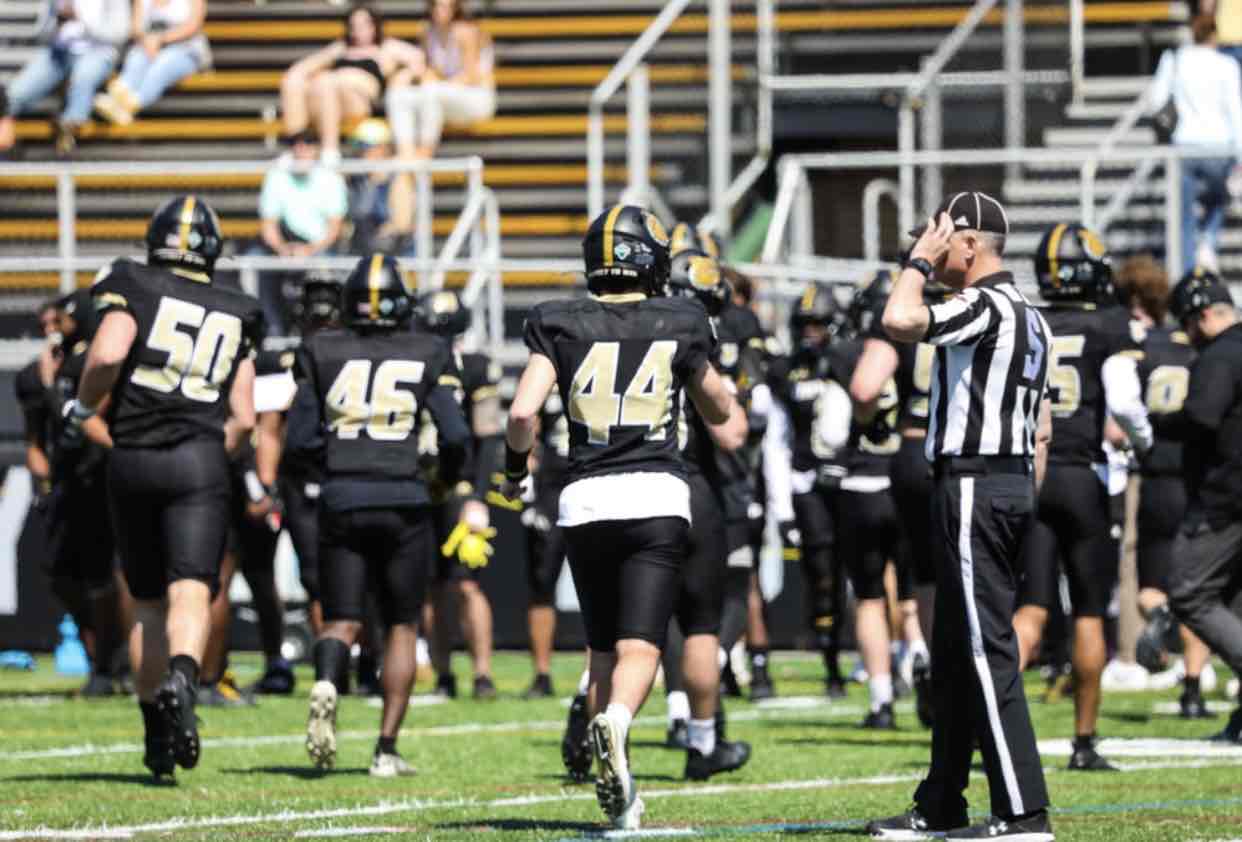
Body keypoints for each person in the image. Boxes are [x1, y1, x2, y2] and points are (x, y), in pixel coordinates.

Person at [500, 204, 742, 830]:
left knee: (603, 647)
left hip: (584, 499)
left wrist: (513, 470)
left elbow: (522, 413)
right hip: (656, 494)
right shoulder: (682, 319)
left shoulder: (558, 320)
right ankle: (617, 721)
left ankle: (621, 788)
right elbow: (719, 409)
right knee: (643, 647)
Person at [869, 193, 1054, 841]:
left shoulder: (985, 303)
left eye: (941, 237)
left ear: (970, 245)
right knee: (952, 651)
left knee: (982, 648)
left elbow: (898, 318)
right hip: (1005, 479)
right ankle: (942, 801)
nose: (926, 246)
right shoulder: (1032, 316)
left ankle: (1023, 814)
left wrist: (917, 264)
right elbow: (1042, 429)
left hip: (975, 480)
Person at [61, 195, 262, 782]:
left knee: (146, 600)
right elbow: (245, 417)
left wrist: (84, 408)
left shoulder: (132, 282)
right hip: (199, 457)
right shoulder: (239, 308)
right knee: (191, 588)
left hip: (133, 455)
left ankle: (155, 736)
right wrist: (212, 454)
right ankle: (183, 677)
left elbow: (107, 353)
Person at [299, 253, 472, 777]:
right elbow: (456, 434)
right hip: (403, 497)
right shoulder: (427, 349)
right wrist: (444, 479)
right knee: (401, 624)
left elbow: (299, 440)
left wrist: (335, 468)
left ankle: (326, 681)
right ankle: (386, 748)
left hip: (342, 494)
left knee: (342, 619)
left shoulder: (321, 348)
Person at [1011, 223, 1153, 773]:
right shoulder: (1109, 324)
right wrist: (1144, 443)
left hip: (1032, 471)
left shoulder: (1029, 321)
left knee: (1030, 610)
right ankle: (1084, 742)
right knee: (1089, 612)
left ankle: (985, 724)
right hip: (1083, 477)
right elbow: (1125, 401)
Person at [657, 246, 753, 779]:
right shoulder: (697, 338)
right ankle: (701, 738)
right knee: (700, 621)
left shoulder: (623, 326)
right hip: (694, 483)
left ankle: (592, 716)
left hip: (617, 484)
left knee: (625, 626)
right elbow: (731, 431)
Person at [1112, 257, 1213, 718]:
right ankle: (1193, 688)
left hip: (1153, 478)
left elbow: (1119, 420)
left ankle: (1161, 621)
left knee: (1148, 588)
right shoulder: (1200, 350)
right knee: (1198, 590)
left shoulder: (1137, 351)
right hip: (1199, 479)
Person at [850, 269, 941, 727]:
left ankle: (885, 695)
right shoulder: (977, 308)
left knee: (884, 591)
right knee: (958, 576)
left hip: (887, 468)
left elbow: (863, 390)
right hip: (957, 452)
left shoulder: (858, 345)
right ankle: (937, 663)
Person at [764, 283, 853, 698]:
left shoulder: (850, 360)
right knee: (822, 574)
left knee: (873, 573)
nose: (809, 331)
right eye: (805, 323)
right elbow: (778, 440)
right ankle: (831, 663)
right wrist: (782, 507)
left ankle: (901, 659)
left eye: (817, 323)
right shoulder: (786, 370)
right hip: (808, 483)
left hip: (854, 480)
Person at [414, 290, 502, 700]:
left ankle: (482, 674)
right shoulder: (411, 362)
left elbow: (487, 435)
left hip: (458, 487)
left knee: (467, 585)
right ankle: (443, 673)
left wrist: (478, 496)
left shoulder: (476, 367)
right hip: (418, 484)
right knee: (431, 587)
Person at [44, 290, 132, 697]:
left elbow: (93, 415)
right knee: (66, 575)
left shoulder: (94, 360)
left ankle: (117, 665)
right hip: (72, 481)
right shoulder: (62, 362)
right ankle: (107, 662)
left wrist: (117, 450)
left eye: (59, 319)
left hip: (98, 479)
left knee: (110, 577)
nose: (53, 327)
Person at [1166, 269, 1242, 743]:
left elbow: (1201, 418)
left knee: (1189, 592)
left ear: (1204, 315)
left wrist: (1154, 426)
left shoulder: (1220, 356)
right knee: (1233, 601)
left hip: (1226, 497)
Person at [1148, 13, 1242, 274]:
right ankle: (1208, 242)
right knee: (1219, 197)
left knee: (1183, 214)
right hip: (1218, 146)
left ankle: (1186, 271)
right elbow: (1235, 111)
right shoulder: (1226, 64)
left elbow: (1155, 101)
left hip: (1184, 145)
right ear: (1214, 35)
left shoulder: (1176, 59)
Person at [280, 3, 424, 166]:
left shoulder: (387, 47)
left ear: (375, 25)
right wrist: (298, 79)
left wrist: (404, 75)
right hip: (330, 96)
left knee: (326, 81)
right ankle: (296, 146)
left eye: (364, 24)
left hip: (358, 100)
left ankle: (330, 150)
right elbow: (302, 68)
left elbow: (418, 59)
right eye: (353, 25)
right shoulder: (341, 48)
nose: (358, 29)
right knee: (293, 81)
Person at [0, 0, 130, 155]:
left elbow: (120, 32)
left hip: (98, 51)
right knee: (17, 92)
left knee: (82, 79)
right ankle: (5, 135)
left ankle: (69, 137)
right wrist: (56, 22)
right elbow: (41, 33)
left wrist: (80, 18)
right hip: (59, 51)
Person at [251, 130, 347, 336]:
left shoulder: (331, 177)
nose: (301, 148)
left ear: (317, 148)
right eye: (296, 143)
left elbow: (335, 228)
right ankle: (273, 328)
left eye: (308, 142)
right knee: (259, 261)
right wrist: (282, 248)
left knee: (327, 267)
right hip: (285, 245)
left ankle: (322, 330)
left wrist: (310, 250)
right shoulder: (277, 174)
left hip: (321, 248)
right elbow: (269, 225)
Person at [385, 0, 495, 162]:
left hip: (476, 97)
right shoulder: (427, 31)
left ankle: (424, 155)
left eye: (445, 5)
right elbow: (429, 69)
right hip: (443, 96)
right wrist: (410, 75)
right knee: (398, 94)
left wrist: (435, 82)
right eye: (436, 5)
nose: (440, 10)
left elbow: (472, 76)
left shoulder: (466, 31)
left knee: (430, 92)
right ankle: (405, 153)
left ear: (455, 8)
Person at [93, 0, 210, 126]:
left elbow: (193, 25)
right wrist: (148, 40)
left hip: (186, 49)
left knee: (163, 65)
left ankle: (128, 105)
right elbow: (136, 28)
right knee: (137, 57)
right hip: (148, 46)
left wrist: (161, 39)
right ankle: (121, 93)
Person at [345, 118, 414, 255]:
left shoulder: (397, 178)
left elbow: (402, 224)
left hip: (393, 252)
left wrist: (386, 230)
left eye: (364, 146)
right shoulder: (356, 179)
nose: (359, 152)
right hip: (362, 250)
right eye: (358, 147)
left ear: (382, 148)